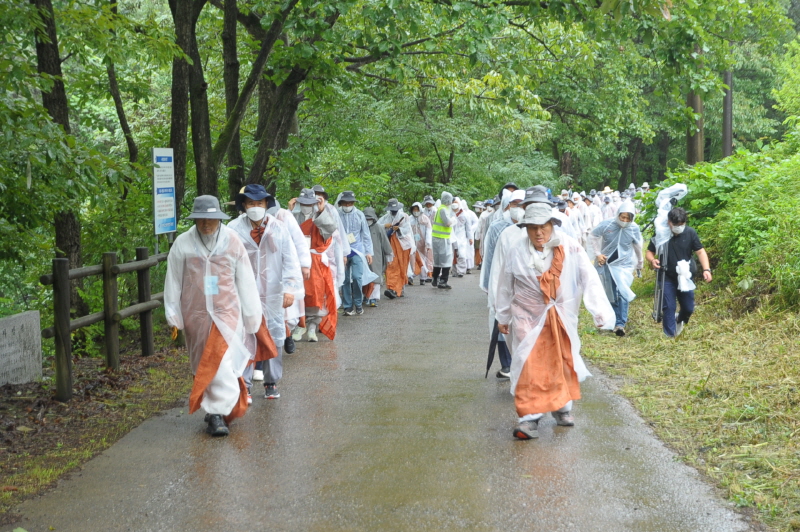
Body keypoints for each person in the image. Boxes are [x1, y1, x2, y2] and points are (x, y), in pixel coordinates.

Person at [493, 203, 615, 440]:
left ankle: (562, 408)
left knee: (560, 361)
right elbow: (505, 284)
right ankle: (529, 419)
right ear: (526, 228)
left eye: (543, 227)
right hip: (526, 316)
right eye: (532, 227)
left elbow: (588, 277)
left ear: (552, 225)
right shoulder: (516, 250)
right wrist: (503, 315)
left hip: (560, 316)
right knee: (529, 364)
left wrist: (599, 312)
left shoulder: (569, 246)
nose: (538, 233)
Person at [164, 195, 263, 437]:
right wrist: (173, 313)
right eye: (201, 219)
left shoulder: (232, 241)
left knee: (223, 362)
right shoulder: (183, 244)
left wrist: (252, 314)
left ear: (219, 218)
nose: (206, 224)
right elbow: (173, 280)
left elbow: (245, 279)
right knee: (202, 362)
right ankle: (213, 407)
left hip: (227, 312)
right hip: (196, 315)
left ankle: (218, 414)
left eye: (211, 219)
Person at [228, 185, 304, 399]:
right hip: (243, 292)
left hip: (273, 292)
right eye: (250, 203)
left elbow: (290, 259)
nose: (255, 207)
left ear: (266, 204)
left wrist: (290, 288)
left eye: (259, 203)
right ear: (244, 205)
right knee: (245, 337)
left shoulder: (279, 228)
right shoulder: (233, 229)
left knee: (274, 334)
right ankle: (244, 385)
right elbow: (225, 261)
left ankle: (271, 382)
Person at [646, 207, 712, 337]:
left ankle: (679, 319)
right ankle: (670, 336)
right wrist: (652, 260)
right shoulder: (661, 234)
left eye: (681, 224)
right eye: (675, 225)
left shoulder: (690, 233)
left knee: (688, 307)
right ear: (669, 222)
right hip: (666, 275)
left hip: (685, 275)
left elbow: (700, 251)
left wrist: (706, 269)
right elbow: (649, 252)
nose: (678, 227)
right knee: (668, 307)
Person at [481, 188, 526, 378]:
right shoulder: (498, 228)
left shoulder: (533, 228)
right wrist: (490, 288)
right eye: (514, 204)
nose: (518, 208)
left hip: (525, 288)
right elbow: (490, 259)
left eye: (522, 205)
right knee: (501, 321)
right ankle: (507, 365)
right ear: (507, 206)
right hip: (501, 282)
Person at [291, 188, 340, 342]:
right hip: (296, 261)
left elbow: (330, 229)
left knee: (316, 293)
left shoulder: (319, 217)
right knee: (298, 293)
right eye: (303, 204)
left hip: (316, 262)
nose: (306, 206)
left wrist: (321, 210)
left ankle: (312, 326)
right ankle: (300, 325)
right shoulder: (293, 217)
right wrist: (289, 212)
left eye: (309, 204)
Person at [590, 199, 643, 337]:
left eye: (628, 218)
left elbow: (638, 246)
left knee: (623, 291)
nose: (624, 220)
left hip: (624, 264)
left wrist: (640, 262)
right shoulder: (607, 224)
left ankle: (620, 323)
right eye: (622, 217)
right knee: (611, 292)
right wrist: (598, 254)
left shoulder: (634, 228)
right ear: (618, 214)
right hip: (608, 263)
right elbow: (593, 236)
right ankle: (613, 320)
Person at [336, 191, 375, 316]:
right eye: (345, 203)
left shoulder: (359, 214)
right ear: (341, 203)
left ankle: (358, 303)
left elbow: (366, 233)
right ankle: (348, 306)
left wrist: (368, 252)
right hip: (342, 251)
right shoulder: (336, 214)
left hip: (357, 250)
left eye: (350, 203)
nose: (348, 205)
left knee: (357, 277)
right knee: (345, 279)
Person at [379, 198, 414, 299]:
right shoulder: (385, 217)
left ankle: (400, 288)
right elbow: (377, 225)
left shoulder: (404, 216)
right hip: (390, 245)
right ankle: (392, 288)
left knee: (402, 266)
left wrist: (399, 229)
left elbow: (407, 229)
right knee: (391, 265)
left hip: (403, 246)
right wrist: (385, 226)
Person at [363, 207, 394, 306]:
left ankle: (374, 298)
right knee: (363, 277)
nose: (368, 220)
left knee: (376, 277)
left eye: (370, 218)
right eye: (366, 219)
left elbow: (385, 242)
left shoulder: (379, 228)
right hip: (363, 256)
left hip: (377, 256)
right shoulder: (360, 227)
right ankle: (365, 296)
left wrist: (389, 255)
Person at [431, 191, 458, 289]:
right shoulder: (443, 209)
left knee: (438, 260)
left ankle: (435, 278)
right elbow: (447, 223)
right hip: (442, 239)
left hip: (438, 237)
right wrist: (454, 219)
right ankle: (443, 280)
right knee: (446, 260)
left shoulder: (441, 209)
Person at [409, 202, 432, 285]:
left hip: (422, 243)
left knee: (423, 260)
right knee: (412, 260)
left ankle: (422, 277)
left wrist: (428, 242)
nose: (415, 211)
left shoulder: (425, 219)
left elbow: (429, 230)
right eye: (414, 209)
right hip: (412, 243)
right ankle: (411, 275)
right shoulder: (409, 219)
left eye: (417, 209)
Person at [451, 197, 474, 278]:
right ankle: (454, 271)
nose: (454, 204)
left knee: (462, 254)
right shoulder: (450, 213)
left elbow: (468, 228)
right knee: (453, 255)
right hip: (451, 237)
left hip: (461, 238)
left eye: (456, 202)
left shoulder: (465, 214)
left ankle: (461, 271)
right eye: (453, 202)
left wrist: (470, 238)